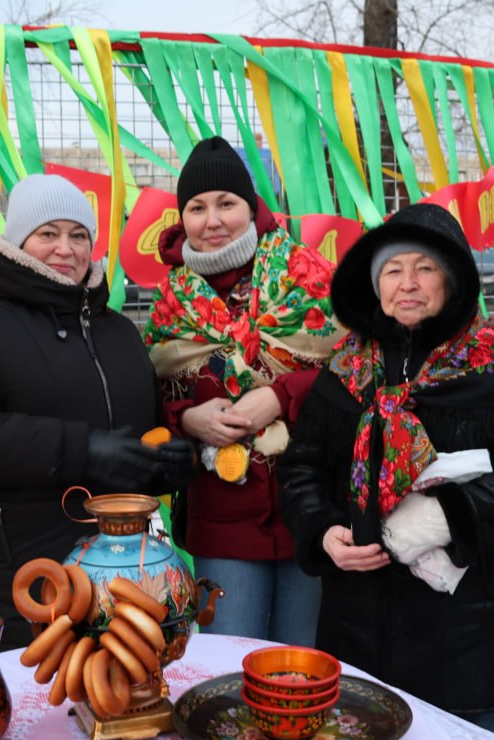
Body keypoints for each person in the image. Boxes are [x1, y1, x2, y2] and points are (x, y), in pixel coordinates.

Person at [277, 203, 494, 739]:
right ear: (375, 284)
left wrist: (446, 519)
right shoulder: (345, 371)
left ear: (452, 278)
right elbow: (301, 470)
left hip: (470, 632)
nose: (407, 283)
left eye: (424, 267)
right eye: (393, 269)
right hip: (362, 626)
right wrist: (322, 532)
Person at [0, 173, 196, 651]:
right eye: (47, 233)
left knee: (116, 698)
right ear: (18, 241)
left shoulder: (116, 331)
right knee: (35, 708)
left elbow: (138, 433)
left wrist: (164, 464)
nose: (65, 249)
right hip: (19, 574)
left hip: (117, 570)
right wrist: (83, 448)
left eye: (78, 235)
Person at [144, 137, 344, 646]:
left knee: (300, 668)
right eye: (196, 207)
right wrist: (186, 419)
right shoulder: (172, 303)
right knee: (230, 667)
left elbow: (355, 373)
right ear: (182, 216)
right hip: (223, 518)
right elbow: (147, 395)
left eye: (226, 203)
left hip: (311, 507)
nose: (212, 220)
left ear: (251, 208)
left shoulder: (308, 280)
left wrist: (282, 396)